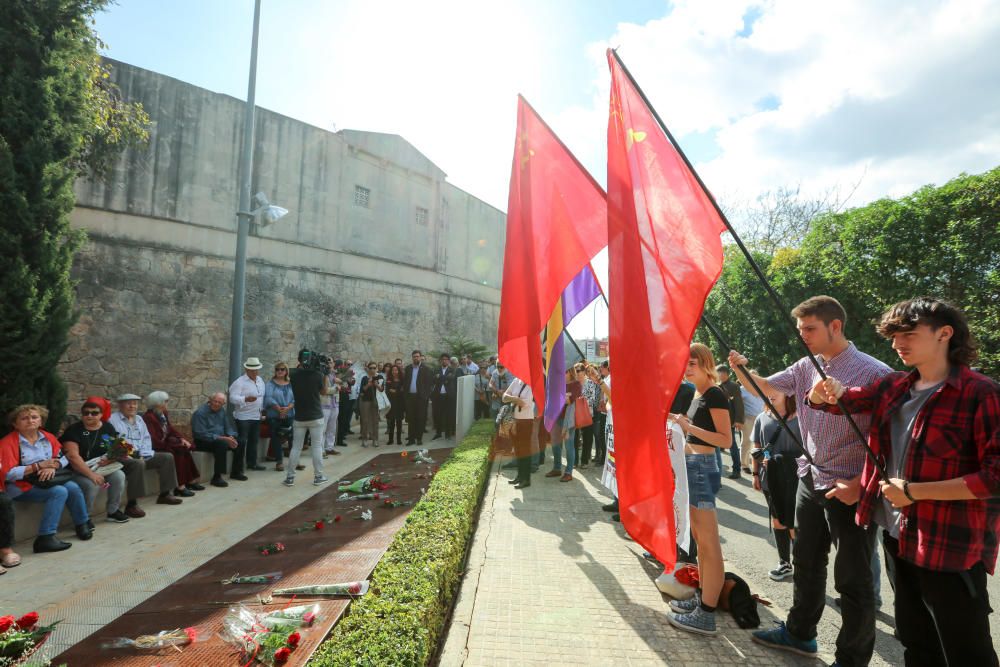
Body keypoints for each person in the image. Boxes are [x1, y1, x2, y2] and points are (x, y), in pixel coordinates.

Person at [808, 297, 1000, 667]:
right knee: (915, 640)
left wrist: (914, 492)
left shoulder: (982, 394)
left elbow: (994, 476)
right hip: (898, 536)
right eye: (894, 336)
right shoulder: (893, 386)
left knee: (967, 651)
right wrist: (822, 391)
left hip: (951, 545)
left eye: (909, 334)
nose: (898, 344)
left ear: (945, 334)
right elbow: (840, 402)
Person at [730, 295, 892, 665]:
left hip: (849, 487)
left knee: (853, 580)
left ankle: (851, 659)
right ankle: (800, 633)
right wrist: (741, 369)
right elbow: (767, 389)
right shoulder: (807, 366)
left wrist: (860, 484)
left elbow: (890, 443)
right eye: (800, 328)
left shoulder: (875, 373)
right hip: (811, 477)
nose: (802, 335)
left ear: (835, 326)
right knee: (805, 562)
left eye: (809, 328)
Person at [666, 343, 732, 636]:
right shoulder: (698, 393)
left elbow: (725, 440)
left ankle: (706, 613)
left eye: (692, 363)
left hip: (702, 469)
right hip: (691, 466)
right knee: (700, 541)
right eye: (686, 363)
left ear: (706, 363)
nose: (687, 368)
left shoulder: (715, 394)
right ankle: (703, 597)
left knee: (708, 543)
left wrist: (688, 428)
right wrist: (676, 423)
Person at [1, 405, 91, 552]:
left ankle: (83, 523)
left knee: (73, 487)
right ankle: (46, 537)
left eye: (34, 417)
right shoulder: (8, 443)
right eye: (24, 418)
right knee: (59, 491)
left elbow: (63, 457)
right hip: (20, 486)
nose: (30, 420)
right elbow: (7, 473)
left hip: (45, 481)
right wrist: (38, 466)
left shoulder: (47, 437)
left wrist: (53, 465)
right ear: (15, 424)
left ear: (41, 421)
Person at [750, 393, 800, 581]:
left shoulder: (801, 417)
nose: (770, 394)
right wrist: (755, 474)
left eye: (775, 389)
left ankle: (801, 563)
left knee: (793, 523)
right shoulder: (762, 417)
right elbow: (756, 446)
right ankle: (784, 562)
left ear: (788, 393)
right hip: (770, 478)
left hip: (795, 478)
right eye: (767, 390)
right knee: (778, 520)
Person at [60, 398, 130, 524]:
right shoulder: (74, 430)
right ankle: (84, 518)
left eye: (94, 413)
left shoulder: (107, 427)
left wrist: (109, 460)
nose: (89, 416)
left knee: (119, 476)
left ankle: (113, 511)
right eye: (86, 413)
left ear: (101, 415)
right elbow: (73, 457)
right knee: (91, 484)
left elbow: (117, 448)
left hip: (101, 467)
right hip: (77, 470)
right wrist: (91, 474)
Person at [110, 394, 183, 514]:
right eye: (128, 403)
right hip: (123, 457)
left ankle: (165, 494)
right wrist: (135, 454)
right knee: (138, 464)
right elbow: (116, 441)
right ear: (120, 405)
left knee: (167, 457)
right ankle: (132, 504)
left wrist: (144, 453)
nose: (132, 406)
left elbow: (146, 438)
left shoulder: (139, 419)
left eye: (134, 403)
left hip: (141, 453)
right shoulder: (113, 420)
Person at [142, 391, 202, 497]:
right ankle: (179, 487)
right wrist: (170, 445)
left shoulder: (163, 413)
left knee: (184, 448)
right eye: (165, 401)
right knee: (177, 452)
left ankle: (190, 481)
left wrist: (181, 439)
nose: (167, 403)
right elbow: (153, 438)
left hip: (165, 443)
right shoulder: (148, 417)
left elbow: (170, 429)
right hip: (156, 446)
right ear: (158, 403)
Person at [286, 348, 331, 487]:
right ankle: (318, 476)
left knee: (296, 447)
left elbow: (290, 377)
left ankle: (290, 478)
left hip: (299, 416)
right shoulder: (317, 375)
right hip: (315, 416)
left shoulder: (292, 373)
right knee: (317, 447)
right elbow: (323, 391)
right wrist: (324, 374)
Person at [191, 392, 240, 487]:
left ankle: (236, 472)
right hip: (203, 441)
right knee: (222, 444)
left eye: (220, 403)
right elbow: (201, 434)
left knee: (240, 442)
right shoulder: (200, 413)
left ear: (223, 404)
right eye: (215, 401)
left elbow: (228, 427)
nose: (217, 404)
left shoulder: (222, 411)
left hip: (220, 439)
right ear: (210, 400)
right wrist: (224, 438)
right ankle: (217, 477)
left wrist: (231, 436)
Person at [229, 356, 266, 474]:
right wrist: (245, 399)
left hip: (256, 415)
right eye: (252, 370)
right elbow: (232, 398)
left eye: (256, 370)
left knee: (254, 441)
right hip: (243, 417)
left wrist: (261, 411)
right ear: (247, 370)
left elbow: (262, 397)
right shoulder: (239, 382)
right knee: (242, 441)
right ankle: (238, 469)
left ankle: (252, 463)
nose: (255, 372)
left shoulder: (260, 380)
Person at [547, 366, 584, 482]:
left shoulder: (576, 384)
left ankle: (568, 472)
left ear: (569, 372)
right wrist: (563, 395)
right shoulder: (558, 384)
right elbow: (552, 398)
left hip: (568, 420)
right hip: (556, 418)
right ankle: (557, 468)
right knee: (555, 445)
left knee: (569, 446)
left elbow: (569, 400)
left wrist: (561, 395)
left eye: (563, 371)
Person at [503, 375, 536, 489]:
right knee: (517, 449)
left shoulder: (532, 383)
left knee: (525, 450)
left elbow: (525, 403)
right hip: (515, 419)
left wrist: (513, 398)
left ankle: (526, 479)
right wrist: (515, 399)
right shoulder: (516, 381)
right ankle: (520, 476)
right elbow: (504, 396)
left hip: (526, 420)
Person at [263, 362, 295, 470]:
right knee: (276, 439)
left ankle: (294, 461)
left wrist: (288, 408)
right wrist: (279, 409)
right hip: (274, 415)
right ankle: (279, 461)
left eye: (282, 369)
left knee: (293, 438)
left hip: (289, 414)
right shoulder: (270, 384)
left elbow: (295, 398)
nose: (279, 371)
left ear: (286, 371)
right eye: (277, 369)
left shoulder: (291, 383)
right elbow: (268, 398)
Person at [716, 365, 745, 479]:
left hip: (729, 420)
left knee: (732, 445)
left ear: (726, 374)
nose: (719, 375)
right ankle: (717, 471)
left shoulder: (734, 386)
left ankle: (736, 470)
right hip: (717, 420)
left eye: (720, 373)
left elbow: (739, 403)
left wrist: (738, 420)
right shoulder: (716, 385)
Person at [403, 350, 434, 446]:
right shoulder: (408, 368)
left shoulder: (426, 369)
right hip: (410, 397)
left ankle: (419, 439)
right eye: (414, 356)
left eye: (417, 356)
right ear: (412, 358)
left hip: (421, 398)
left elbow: (429, 384)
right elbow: (405, 382)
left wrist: (425, 396)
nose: (416, 358)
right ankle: (411, 439)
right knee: (411, 418)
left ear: (420, 357)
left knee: (420, 418)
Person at [740, 374, 766, 474]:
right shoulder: (742, 389)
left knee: (760, 443)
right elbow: (738, 404)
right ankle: (744, 464)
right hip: (748, 418)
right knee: (746, 442)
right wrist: (739, 419)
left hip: (761, 418)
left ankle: (757, 462)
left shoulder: (761, 388)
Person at [358, 362, 384, 447]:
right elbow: (362, 391)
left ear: (376, 368)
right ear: (368, 369)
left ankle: (375, 439)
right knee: (365, 420)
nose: (372, 369)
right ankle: (365, 439)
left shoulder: (380, 377)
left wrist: (376, 385)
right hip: (365, 401)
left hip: (376, 401)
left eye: (374, 368)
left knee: (375, 421)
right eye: (371, 368)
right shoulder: (364, 378)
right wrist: (368, 385)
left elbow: (381, 389)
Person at [432, 354, 457, 440]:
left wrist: (440, 377)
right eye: (442, 359)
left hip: (449, 396)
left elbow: (450, 378)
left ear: (449, 361)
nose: (444, 361)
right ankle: (438, 433)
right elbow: (434, 380)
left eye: (446, 359)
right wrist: (443, 378)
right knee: (438, 414)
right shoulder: (436, 369)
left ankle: (448, 434)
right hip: (438, 395)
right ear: (440, 361)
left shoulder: (452, 369)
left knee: (449, 415)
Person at [336, 363, 356, 447]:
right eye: (347, 365)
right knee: (339, 419)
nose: (349, 366)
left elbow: (351, 383)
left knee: (343, 418)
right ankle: (338, 438)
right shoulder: (337, 375)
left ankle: (340, 437)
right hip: (339, 397)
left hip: (345, 397)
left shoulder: (348, 374)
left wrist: (350, 378)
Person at [385, 364, 406, 445]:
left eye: (396, 370)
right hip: (391, 404)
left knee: (399, 422)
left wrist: (395, 391)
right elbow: (387, 391)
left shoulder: (402, 381)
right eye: (393, 370)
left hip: (400, 404)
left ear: (398, 371)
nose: (394, 371)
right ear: (391, 371)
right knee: (391, 422)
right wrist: (397, 391)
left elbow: (402, 391)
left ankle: (399, 439)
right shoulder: (388, 380)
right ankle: (390, 440)